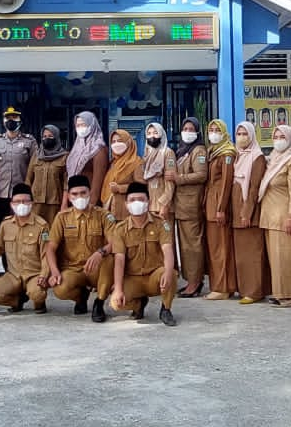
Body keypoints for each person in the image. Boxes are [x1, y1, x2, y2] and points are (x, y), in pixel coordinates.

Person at [44, 174, 113, 322]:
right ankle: (81, 296)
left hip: (96, 268)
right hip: (73, 269)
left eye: (83, 193)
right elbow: (50, 247)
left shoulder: (103, 215)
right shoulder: (62, 218)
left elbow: (115, 242)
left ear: (90, 193)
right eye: (75, 194)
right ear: (69, 197)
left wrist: (100, 252)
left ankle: (99, 303)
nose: (79, 197)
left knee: (110, 259)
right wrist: (54, 271)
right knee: (60, 289)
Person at [108, 182, 178, 326]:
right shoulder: (120, 229)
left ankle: (166, 308)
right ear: (126, 204)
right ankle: (138, 305)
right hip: (133, 278)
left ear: (149, 201)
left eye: (141, 199)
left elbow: (167, 250)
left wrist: (168, 271)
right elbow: (119, 260)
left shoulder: (161, 224)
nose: (137, 203)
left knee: (171, 273)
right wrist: (119, 289)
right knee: (116, 304)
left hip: (154, 276)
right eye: (132, 200)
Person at [0, 183, 50, 312]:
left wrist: (44, 276)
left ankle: (38, 302)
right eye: (17, 201)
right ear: (11, 204)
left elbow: (46, 254)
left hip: (33, 274)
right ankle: (18, 301)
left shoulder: (42, 226)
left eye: (25, 201)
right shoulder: (6, 224)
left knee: (38, 294)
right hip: (13, 275)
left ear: (32, 203)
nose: (21, 204)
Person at [259, 124, 291, 309]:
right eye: (276, 136)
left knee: (288, 257)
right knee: (276, 259)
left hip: (285, 216)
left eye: (282, 137)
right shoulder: (273, 159)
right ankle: (280, 293)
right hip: (270, 215)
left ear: (290, 139)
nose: (278, 140)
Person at [166, 117, 207, 298]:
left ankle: (195, 282)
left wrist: (179, 179)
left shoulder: (198, 150)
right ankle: (191, 280)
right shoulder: (183, 150)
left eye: (191, 129)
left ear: (197, 132)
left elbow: (201, 174)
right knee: (185, 246)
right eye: (185, 128)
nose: (187, 132)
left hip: (191, 205)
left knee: (192, 246)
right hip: (181, 205)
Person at [230, 121, 268, 304]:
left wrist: (247, 212)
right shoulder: (237, 155)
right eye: (239, 133)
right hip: (236, 210)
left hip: (248, 212)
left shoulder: (257, 157)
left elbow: (253, 188)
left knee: (253, 254)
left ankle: (254, 291)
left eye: (245, 134)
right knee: (242, 255)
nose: (242, 137)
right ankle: (244, 288)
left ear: (252, 136)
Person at [203, 120, 237, 301]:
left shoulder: (227, 153)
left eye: (217, 130)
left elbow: (226, 182)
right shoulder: (212, 152)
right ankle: (221, 285)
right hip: (210, 203)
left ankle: (222, 287)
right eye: (211, 130)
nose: (214, 133)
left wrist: (221, 208)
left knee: (221, 247)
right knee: (215, 247)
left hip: (218, 205)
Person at [0, 106, 36, 226]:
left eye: (14, 117)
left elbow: (35, 166)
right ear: (3, 121)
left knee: (22, 224)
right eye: (8, 118)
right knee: (1, 225)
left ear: (20, 120)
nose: (11, 120)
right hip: (1, 192)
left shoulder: (29, 141)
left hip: (21, 192)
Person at [26, 125, 68, 224]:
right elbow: (28, 179)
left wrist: (64, 204)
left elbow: (67, 184)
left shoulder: (64, 157)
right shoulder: (36, 155)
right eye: (44, 136)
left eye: (50, 136)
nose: (47, 138)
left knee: (54, 232)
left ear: (57, 137)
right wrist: (27, 200)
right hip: (36, 203)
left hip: (55, 203)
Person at [65, 111, 109, 203]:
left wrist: (91, 204)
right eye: (78, 125)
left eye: (83, 124)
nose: (80, 128)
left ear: (92, 125)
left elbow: (98, 182)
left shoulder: (98, 149)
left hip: (87, 200)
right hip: (74, 199)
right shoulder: (76, 148)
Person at [103, 129, 142, 222]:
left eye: (120, 141)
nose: (116, 144)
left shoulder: (136, 162)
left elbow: (141, 186)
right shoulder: (113, 163)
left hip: (126, 212)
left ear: (128, 142)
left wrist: (120, 188)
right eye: (113, 142)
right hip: (110, 210)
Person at [142, 122, 176, 222]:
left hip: (162, 206)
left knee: (166, 236)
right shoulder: (146, 154)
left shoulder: (167, 152)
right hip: (150, 205)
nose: (152, 136)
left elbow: (170, 181)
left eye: (155, 133)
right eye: (149, 133)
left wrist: (164, 204)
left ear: (161, 134)